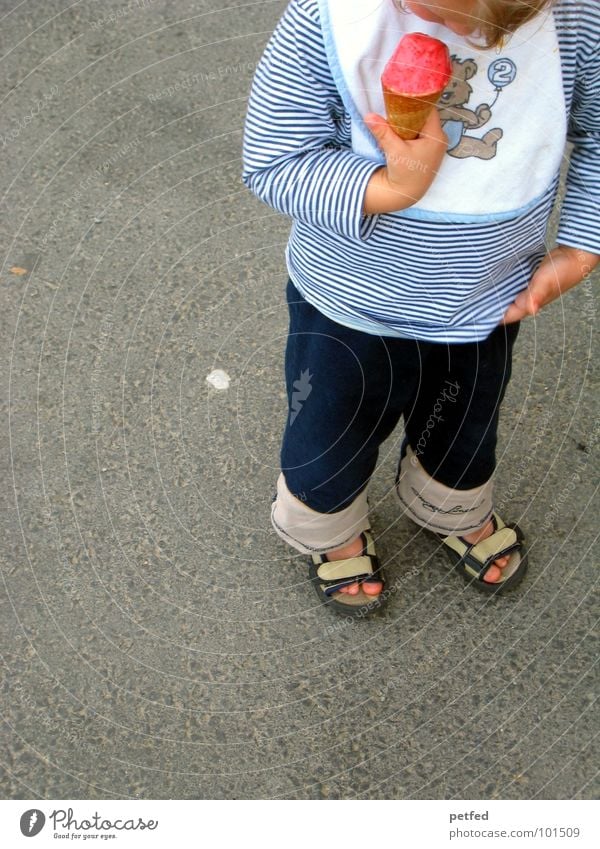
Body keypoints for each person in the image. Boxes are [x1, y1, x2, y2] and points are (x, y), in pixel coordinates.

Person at [242, 0, 599, 616]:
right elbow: (273, 160)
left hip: (486, 296)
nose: (463, 33)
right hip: (348, 299)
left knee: (464, 424)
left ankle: (448, 505)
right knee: (330, 430)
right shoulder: (329, 17)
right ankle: (329, 528)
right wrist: (392, 188)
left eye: (495, 22)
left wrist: (583, 242)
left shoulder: (580, 19)